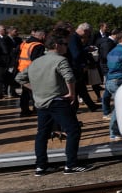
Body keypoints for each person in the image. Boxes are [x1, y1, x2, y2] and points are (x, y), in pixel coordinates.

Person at [15, 35, 92, 175]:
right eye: (65, 44)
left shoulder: (36, 62)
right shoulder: (60, 60)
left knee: (42, 134)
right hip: (58, 101)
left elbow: (19, 77)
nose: (67, 47)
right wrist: (72, 94)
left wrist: (36, 88)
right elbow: (69, 77)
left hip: (41, 102)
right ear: (57, 45)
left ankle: (41, 167)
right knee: (73, 130)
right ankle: (71, 165)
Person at [16, 28, 46, 117]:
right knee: (34, 91)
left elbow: (16, 53)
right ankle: (36, 109)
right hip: (32, 71)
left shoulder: (25, 43)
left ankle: (24, 110)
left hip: (22, 69)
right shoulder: (38, 45)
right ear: (43, 36)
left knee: (25, 92)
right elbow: (37, 60)